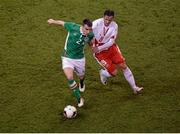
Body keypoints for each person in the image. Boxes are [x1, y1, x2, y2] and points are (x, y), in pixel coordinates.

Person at [92, 9, 143, 94]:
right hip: (100, 54)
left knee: (123, 66)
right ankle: (103, 73)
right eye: (106, 19)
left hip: (111, 48)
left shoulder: (114, 26)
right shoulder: (96, 24)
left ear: (113, 19)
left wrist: (99, 48)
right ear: (103, 17)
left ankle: (134, 88)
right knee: (114, 73)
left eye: (110, 20)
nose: (108, 21)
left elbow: (111, 42)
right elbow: (85, 32)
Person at [47, 18, 94, 107]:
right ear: (82, 26)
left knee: (81, 76)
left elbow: (90, 43)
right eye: (86, 29)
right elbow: (62, 23)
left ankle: (81, 82)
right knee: (69, 77)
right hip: (67, 57)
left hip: (80, 59)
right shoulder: (73, 27)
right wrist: (53, 21)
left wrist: (93, 47)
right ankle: (79, 98)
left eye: (89, 29)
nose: (88, 31)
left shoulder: (90, 34)